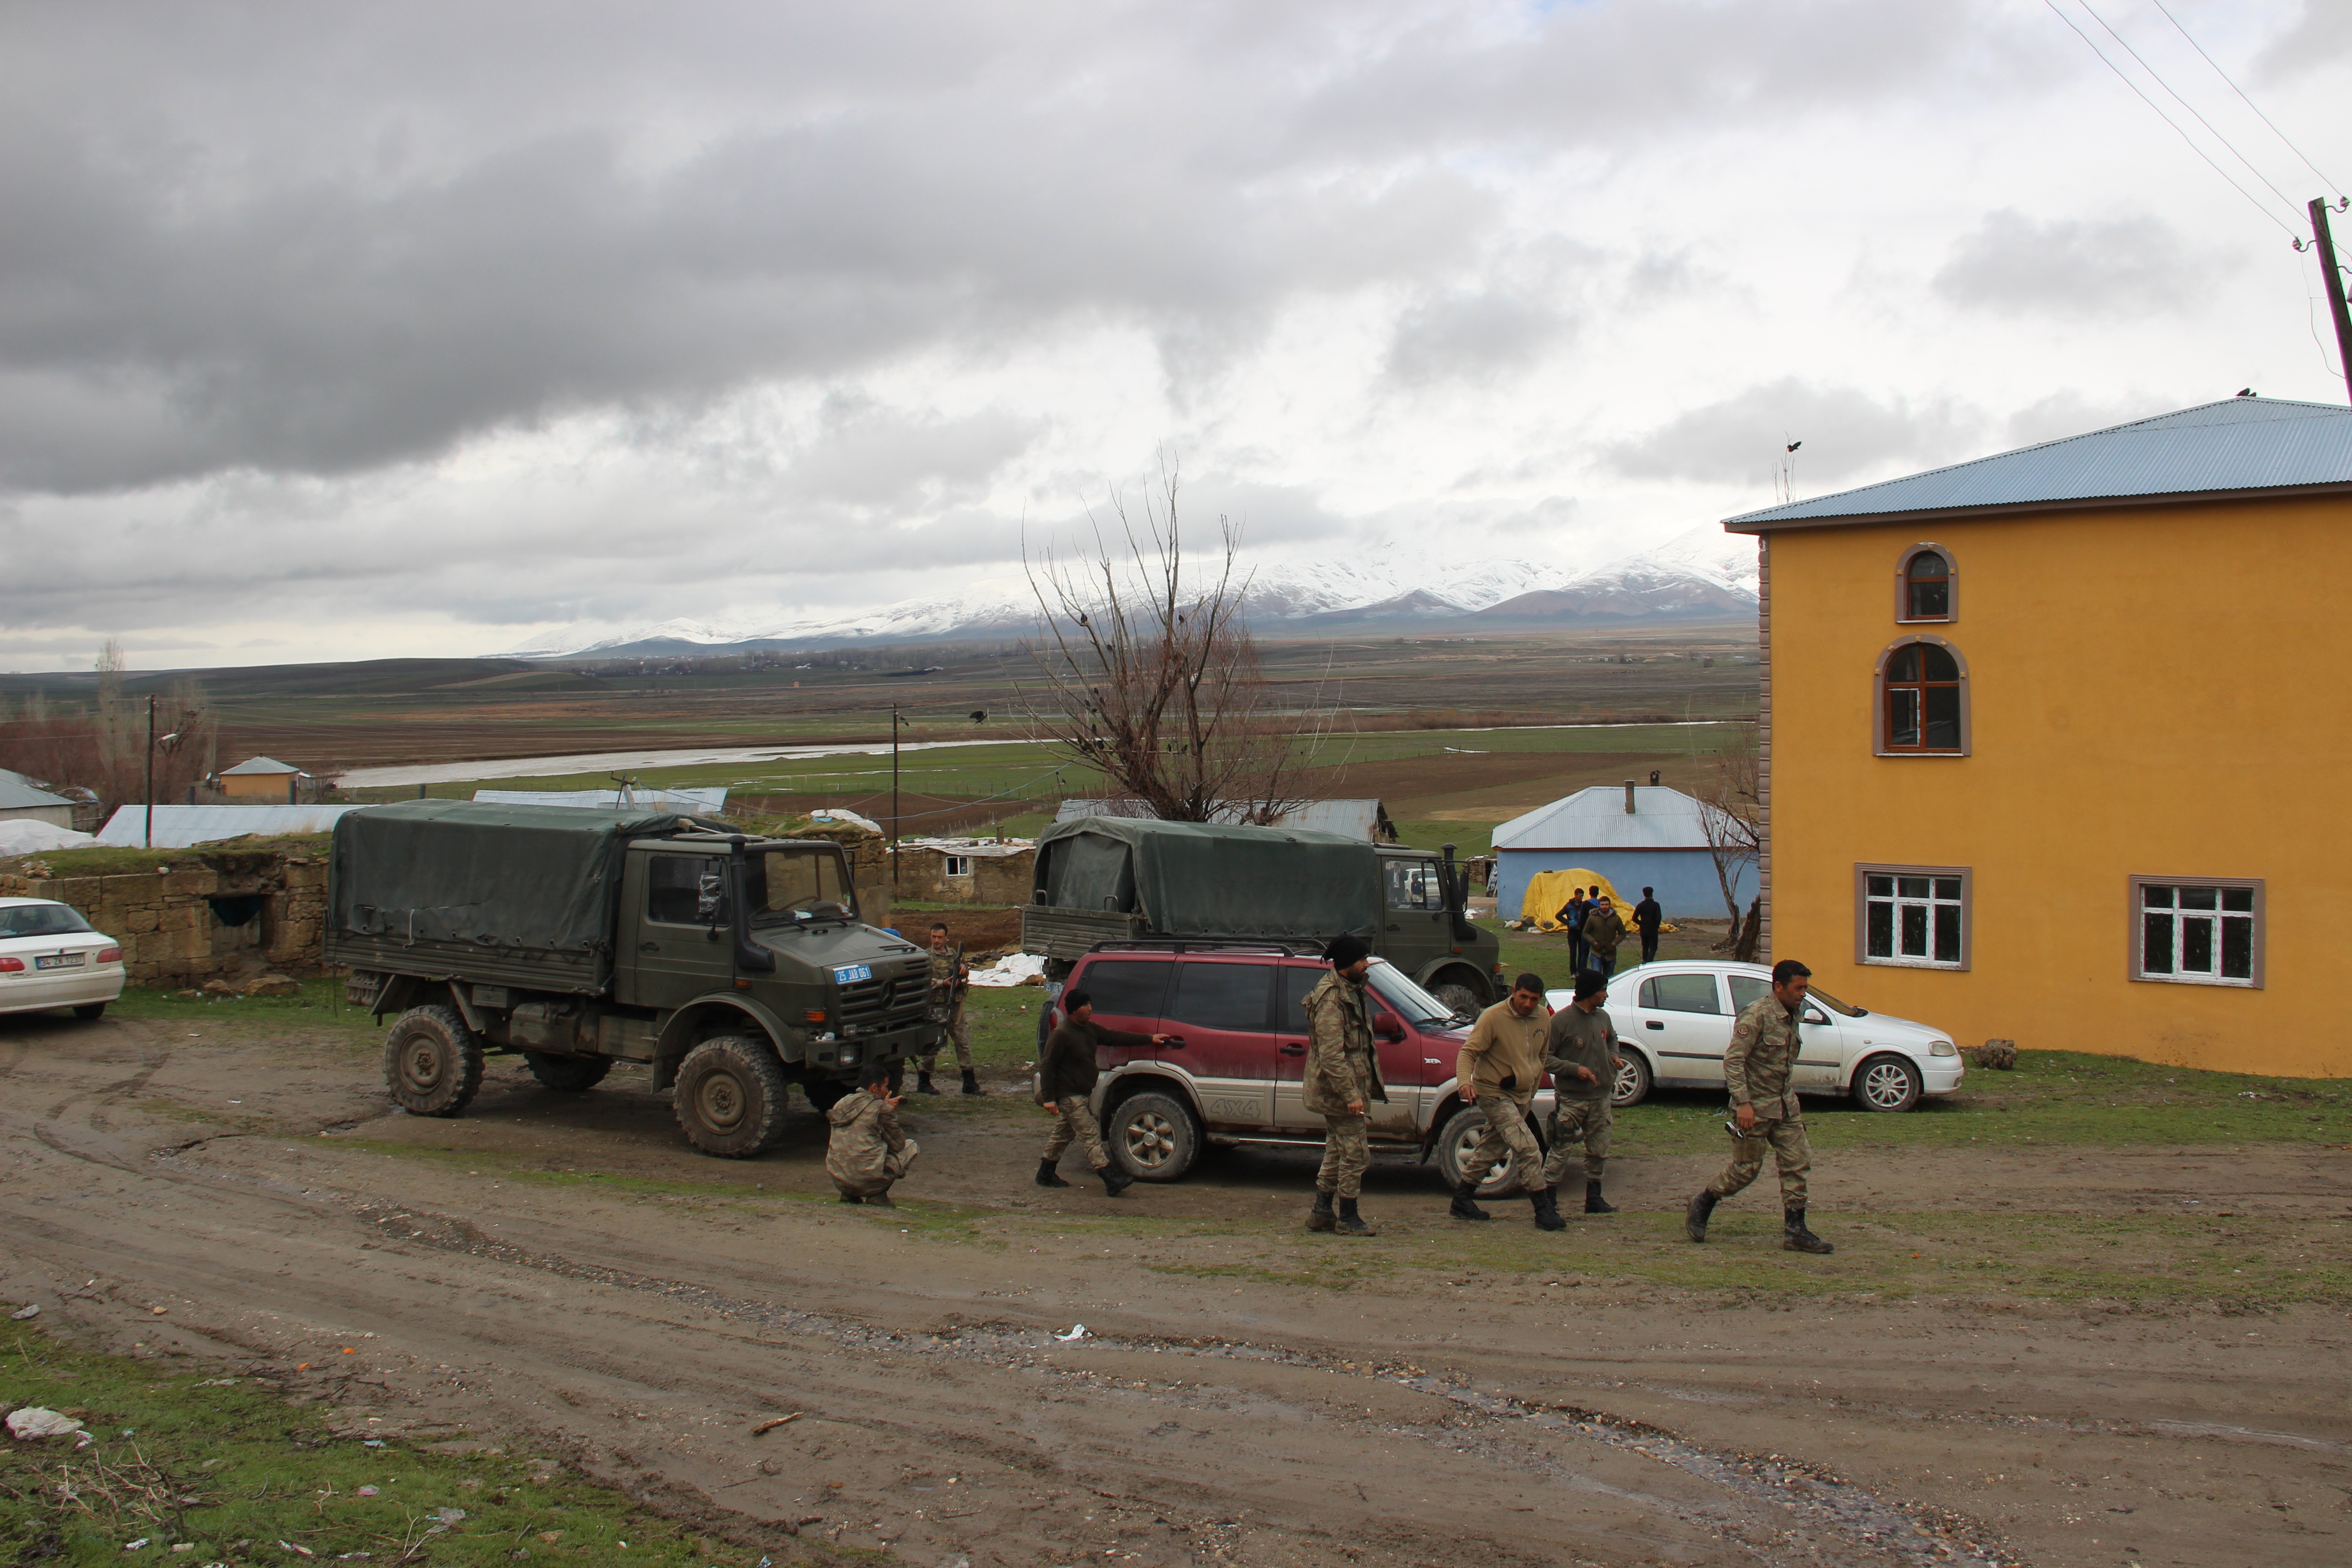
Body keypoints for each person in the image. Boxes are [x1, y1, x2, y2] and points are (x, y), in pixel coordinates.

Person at [1685, 958, 1833, 1254]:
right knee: (1746, 1169)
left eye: (1806, 988)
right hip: (1753, 1109)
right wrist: (1743, 1103)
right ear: (1779, 987)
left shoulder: (1794, 1014)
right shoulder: (1756, 1016)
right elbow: (1734, 1061)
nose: (1803, 994)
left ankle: (1796, 1230)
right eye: (1798, 988)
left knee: (1797, 1164)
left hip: (1785, 1107)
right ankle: (1704, 1202)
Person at [1450, 972, 1565, 1230]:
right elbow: (1469, 1052)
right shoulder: (1492, 1017)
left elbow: (1542, 1053)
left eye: (1533, 999)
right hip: (1493, 1093)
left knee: (1492, 1148)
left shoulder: (1544, 1017)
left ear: (1540, 999)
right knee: (1527, 1148)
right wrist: (1464, 1083)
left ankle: (1462, 1199)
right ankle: (1543, 1209)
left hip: (1522, 1096)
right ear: (1514, 991)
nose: (1527, 1003)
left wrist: (1532, 1089)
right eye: (1523, 997)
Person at [1035, 989, 1171, 1196]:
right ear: (1073, 1010)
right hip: (1069, 1096)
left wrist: (1149, 1038)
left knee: (1064, 1134)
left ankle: (1045, 1172)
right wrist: (1049, 1099)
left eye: (1090, 1004)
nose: (1090, 1009)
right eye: (1085, 1005)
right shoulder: (1061, 1035)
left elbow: (1115, 1037)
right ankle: (1109, 1178)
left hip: (1082, 1093)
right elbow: (1047, 1066)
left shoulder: (1088, 1029)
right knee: (1090, 1133)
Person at [1301, 933, 1385, 1237]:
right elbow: (1332, 1056)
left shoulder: (1350, 990)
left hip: (1348, 1090)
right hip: (1339, 1093)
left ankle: (1322, 1212)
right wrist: (1351, 1095)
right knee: (1355, 1153)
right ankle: (1348, 1217)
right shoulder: (1331, 999)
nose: (1367, 965)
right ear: (1348, 963)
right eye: (1362, 960)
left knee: (1337, 1150)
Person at [1543, 969, 1624, 1215]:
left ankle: (1594, 1199)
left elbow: (1612, 1038)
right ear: (1590, 992)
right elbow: (1544, 1058)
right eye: (1602, 990)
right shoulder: (1560, 1022)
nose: (1606, 995)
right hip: (1572, 1099)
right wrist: (1573, 1070)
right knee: (1561, 1150)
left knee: (1599, 1150)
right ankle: (1548, 1201)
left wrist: (1614, 1056)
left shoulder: (1603, 1017)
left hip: (1600, 1098)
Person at [826, 1060, 918, 1206]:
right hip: (867, 1180)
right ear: (875, 1088)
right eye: (886, 1086)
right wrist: (888, 1111)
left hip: (840, 1179)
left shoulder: (842, 1103)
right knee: (911, 1146)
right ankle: (878, 1194)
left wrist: (882, 1105)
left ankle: (849, 1194)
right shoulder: (882, 1110)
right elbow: (898, 1144)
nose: (888, 1091)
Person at [918, 922, 981, 1096]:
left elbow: (965, 969)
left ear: (947, 938)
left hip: (955, 1005)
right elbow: (923, 981)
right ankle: (924, 1081)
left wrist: (964, 969)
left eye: (940, 937)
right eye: (934, 937)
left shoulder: (954, 954)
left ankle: (969, 1081)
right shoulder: (926, 956)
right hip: (936, 1006)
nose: (936, 941)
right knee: (933, 1043)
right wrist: (941, 983)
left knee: (962, 1041)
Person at [1582, 895, 1627, 978]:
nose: (1604, 907)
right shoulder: (1592, 918)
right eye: (1602, 905)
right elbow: (1585, 933)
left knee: (1609, 979)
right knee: (1596, 978)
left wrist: (1615, 943)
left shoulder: (1616, 919)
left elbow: (1623, 934)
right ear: (1599, 906)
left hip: (1611, 954)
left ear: (1610, 905)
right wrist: (1593, 942)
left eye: (1606, 905)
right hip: (1596, 952)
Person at [1558, 888, 1589, 971]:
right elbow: (1558, 915)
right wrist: (1568, 923)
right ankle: (1573, 971)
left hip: (1582, 931)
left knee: (1581, 952)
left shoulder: (1584, 906)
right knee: (1573, 952)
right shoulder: (1569, 906)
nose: (1581, 898)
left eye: (1582, 896)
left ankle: (1581, 970)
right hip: (1572, 931)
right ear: (1576, 895)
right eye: (1580, 896)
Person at [1632, 887, 1663, 967]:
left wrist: (1641, 924)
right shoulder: (1656, 905)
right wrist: (1656, 926)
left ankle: (1644, 961)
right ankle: (1649, 964)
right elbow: (1659, 918)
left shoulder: (1640, 905)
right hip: (1653, 929)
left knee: (1645, 947)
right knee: (1653, 948)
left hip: (1644, 929)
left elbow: (1634, 918)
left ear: (1644, 894)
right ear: (1652, 894)